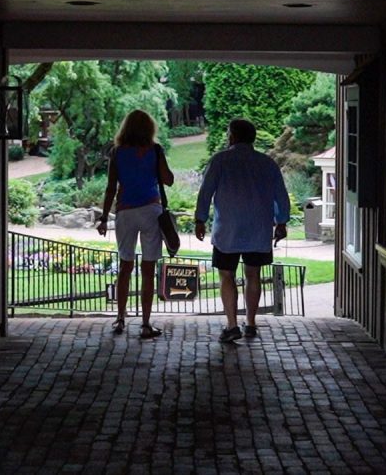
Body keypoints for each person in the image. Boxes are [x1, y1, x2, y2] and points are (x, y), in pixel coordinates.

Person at [194, 119, 290, 342]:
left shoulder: (220, 160)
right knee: (253, 274)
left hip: (227, 229)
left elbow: (205, 192)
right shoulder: (267, 163)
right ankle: (251, 322)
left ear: (233, 136)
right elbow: (280, 195)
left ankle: (232, 325)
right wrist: (282, 221)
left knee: (226, 275)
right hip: (259, 228)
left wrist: (200, 219)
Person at [97, 109, 174, 338]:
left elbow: (111, 187)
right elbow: (168, 180)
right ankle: (146, 323)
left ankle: (120, 319)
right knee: (148, 270)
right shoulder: (155, 150)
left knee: (125, 267)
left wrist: (104, 217)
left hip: (125, 212)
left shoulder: (117, 152)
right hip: (151, 210)